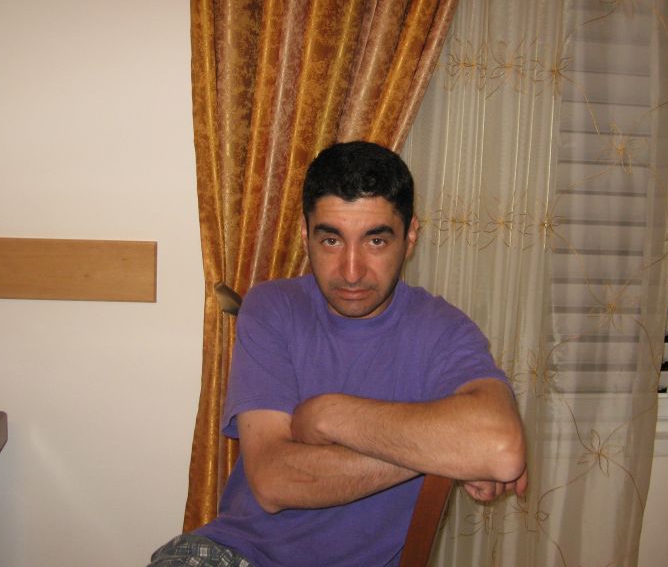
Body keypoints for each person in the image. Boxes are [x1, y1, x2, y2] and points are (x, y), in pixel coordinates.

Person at [150, 141, 527, 567]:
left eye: (376, 241)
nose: (351, 271)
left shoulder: (444, 331)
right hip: (237, 555)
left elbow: (500, 448)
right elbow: (274, 481)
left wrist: (328, 414)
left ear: (410, 236)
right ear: (305, 234)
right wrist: (444, 453)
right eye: (331, 240)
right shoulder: (273, 307)